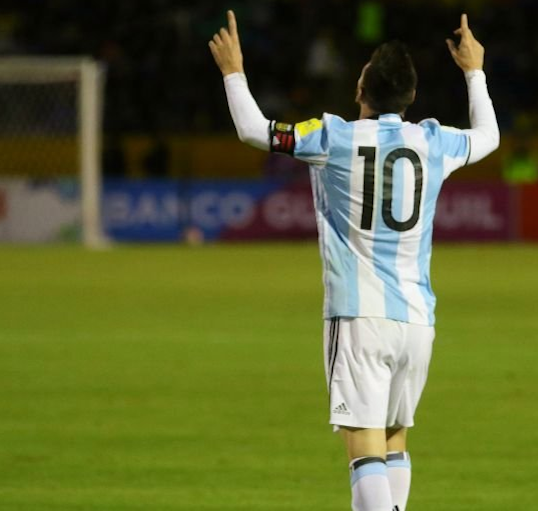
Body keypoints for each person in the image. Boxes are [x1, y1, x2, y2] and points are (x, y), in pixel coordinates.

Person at [209, 10, 499, 511]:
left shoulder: (333, 137)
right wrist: (475, 72)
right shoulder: (434, 141)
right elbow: (489, 136)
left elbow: (256, 131)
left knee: (364, 448)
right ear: (411, 97)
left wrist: (233, 71)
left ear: (361, 86)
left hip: (360, 316)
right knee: (394, 438)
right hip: (417, 320)